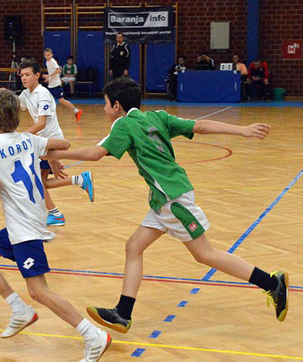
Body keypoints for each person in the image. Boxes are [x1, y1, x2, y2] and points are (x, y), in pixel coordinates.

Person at [41, 77, 289, 334]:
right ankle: (123, 313)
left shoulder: (123, 125)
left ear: (116, 106)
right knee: (134, 246)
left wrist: (52, 154)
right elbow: (200, 126)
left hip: (172, 200)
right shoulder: (157, 116)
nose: (104, 110)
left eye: (104, 104)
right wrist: (241, 130)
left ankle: (272, 282)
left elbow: (94, 154)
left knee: (205, 254)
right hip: (164, 200)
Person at [0, 88, 111, 362]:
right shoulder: (29, 139)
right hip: (24, 221)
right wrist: (46, 148)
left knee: (39, 291)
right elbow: (63, 143)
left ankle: (93, 335)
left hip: (25, 227)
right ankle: (19, 311)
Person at [0, 59, 94, 227]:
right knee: (41, 182)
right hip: (40, 144)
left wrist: (21, 137)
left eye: (27, 75)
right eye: (22, 75)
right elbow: (5, 109)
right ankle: (76, 184)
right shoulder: (26, 94)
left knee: (40, 182)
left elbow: (41, 123)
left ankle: (58, 210)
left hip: (50, 141)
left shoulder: (43, 94)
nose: (24, 78)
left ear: (37, 76)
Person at [43, 48, 82, 121]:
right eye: (46, 55)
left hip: (56, 85)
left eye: (49, 55)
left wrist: (49, 76)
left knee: (61, 100)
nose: (47, 56)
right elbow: (53, 72)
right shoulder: (47, 62)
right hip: (51, 85)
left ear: (52, 55)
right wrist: (48, 76)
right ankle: (47, 115)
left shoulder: (52, 61)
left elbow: (58, 70)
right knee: (47, 99)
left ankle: (76, 110)